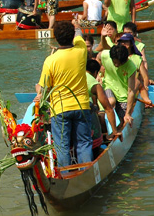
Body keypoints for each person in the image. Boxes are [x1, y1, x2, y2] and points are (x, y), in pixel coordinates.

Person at [35, 20, 92, 167]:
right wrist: (77, 24)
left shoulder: (50, 60)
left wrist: (38, 89)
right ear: (72, 36)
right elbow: (79, 33)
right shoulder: (81, 51)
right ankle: (87, 172)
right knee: (84, 143)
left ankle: (66, 176)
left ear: (56, 38)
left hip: (60, 109)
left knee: (62, 147)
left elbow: (44, 90)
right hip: (82, 106)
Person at [97, 45, 137, 127]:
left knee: (121, 123)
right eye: (114, 62)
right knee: (111, 101)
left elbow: (131, 91)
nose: (116, 65)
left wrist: (128, 114)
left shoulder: (131, 67)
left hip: (124, 96)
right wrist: (98, 73)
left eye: (119, 63)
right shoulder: (105, 54)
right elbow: (98, 57)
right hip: (109, 86)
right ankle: (108, 128)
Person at [86, 59, 121, 140]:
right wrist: (114, 131)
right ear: (95, 72)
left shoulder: (76, 75)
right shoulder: (94, 84)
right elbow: (108, 108)